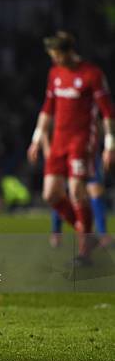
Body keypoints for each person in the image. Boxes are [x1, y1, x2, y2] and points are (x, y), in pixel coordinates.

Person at [27, 31, 114, 264]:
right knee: (50, 194)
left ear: (67, 51)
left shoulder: (92, 74)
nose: (54, 59)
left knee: (77, 190)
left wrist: (110, 145)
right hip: (58, 141)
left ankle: (84, 249)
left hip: (82, 141)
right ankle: (84, 231)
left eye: (56, 54)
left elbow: (107, 112)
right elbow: (47, 108)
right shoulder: (54, 73)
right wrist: (37, 138)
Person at [47, 115, 111, 248]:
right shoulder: (62, 104)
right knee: (61, 193)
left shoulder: (92, 103)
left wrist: (107, 146)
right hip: (68, 154)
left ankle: (102, 234)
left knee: (96, 191)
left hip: (89, 155)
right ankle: (57, 231)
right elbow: (48, 126)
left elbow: (103, 123)